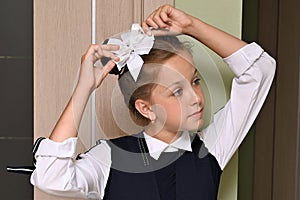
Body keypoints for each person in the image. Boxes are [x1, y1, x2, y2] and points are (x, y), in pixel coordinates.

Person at [30, 4, 276, 200]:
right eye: (177, 92)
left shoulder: (212, 146)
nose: (196, 99)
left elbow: (260, 70)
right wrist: (84, 88)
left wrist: (191, 26)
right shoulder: (108, 158)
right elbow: (51, 177)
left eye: (195, 81)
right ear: (146, 108)